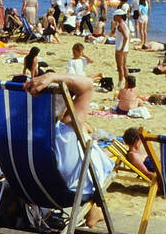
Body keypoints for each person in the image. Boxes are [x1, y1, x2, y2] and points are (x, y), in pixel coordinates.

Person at [22, 72, 113, 223]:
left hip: (26, 189)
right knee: (100, 160)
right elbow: (88, 85)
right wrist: (53, 76)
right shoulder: (66, 131)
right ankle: (94, 210)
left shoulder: (15, 130)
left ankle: (94, 210)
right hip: (65, 194)